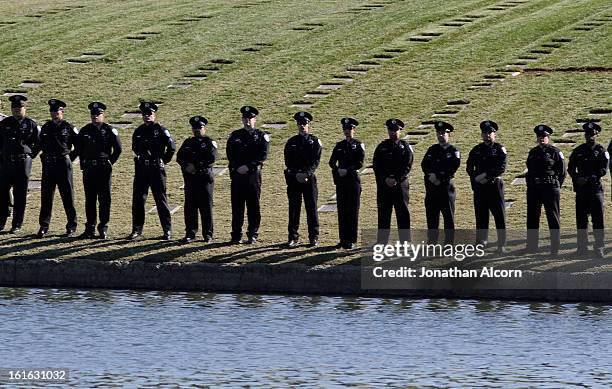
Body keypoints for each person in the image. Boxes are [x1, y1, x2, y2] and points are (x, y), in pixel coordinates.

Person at [128, 102, 175, 241]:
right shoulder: (139, 131)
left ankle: (167, 230)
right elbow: (135, 147)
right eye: (144, 114)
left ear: (154, 114)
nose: (147, 116)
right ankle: (136, 229)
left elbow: (171, 147)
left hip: (156, 168)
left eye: (149, 114)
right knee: (138, 200)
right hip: (142, 168)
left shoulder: (161, 129)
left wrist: (163, 161)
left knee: (160, 200)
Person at [74, 102, 122, 239]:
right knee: (90, 199)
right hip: (89, 168)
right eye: (93, 115)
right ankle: (90, 228)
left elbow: (118, 149)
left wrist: (109, 162)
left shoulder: (109, 130)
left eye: (98, 114)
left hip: (103, 168)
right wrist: (83, 165)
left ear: (103, 115)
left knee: (104, 199)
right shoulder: (85, 130)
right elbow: (79, 149)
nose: (95, 117)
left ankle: (103, 227)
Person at [226, 106, 270, 244]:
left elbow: (263, 155)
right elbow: (230, 154)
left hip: (253, 176)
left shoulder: (261, 136)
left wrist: (248, 166)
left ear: (255, 119)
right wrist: (237, 167)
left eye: (250, 118)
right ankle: (236, 235)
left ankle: (252, 234)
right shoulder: (235, 135)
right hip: (238, 175)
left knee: (253, 207)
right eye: (245, 118)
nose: (247, 121)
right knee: (237, 207)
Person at [36, 99, 79, 238]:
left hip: (63, 164)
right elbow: (40, 144)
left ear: (62, 112)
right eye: (53, 111)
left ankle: (71, 225)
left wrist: (69, 158)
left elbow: (78, 146)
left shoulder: (68, 127)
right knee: (46, 196)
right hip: (49, 165)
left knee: (67, 195)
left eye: (57, 111)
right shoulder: (46, 127)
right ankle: (44, 226)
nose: (55, 114)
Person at [466, 120, 507, 253]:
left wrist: (485, 176)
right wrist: (476, 178)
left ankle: (501, 244)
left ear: (494, 134)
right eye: (484, 133)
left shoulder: (499, 149)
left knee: (499, 215)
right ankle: (481, 241)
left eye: (490, 133)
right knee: (481, 215)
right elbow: (469, 167)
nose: (487, 135)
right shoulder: (476, 150)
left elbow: (501, 168)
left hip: (494, 186)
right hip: (480, 188)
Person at [568, 122, 608, 258]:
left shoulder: (601, 151)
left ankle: (599, 247)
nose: (589, 136)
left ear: (596, 135)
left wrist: (590, 178)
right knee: (581, 221)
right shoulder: (578, 150)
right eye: (587, 134)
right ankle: (582, 248)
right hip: (582, 190)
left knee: (598, 220)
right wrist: (577, 178)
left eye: (592, 134)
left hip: (595, 189)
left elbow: (604, 169)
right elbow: (570, 168)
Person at [0, 95, 40, 233]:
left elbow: (38, 142)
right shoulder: (5, 123)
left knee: (20, 193)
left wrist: (30, 154)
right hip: (6, 162)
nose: (17, 110)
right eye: (14, 108)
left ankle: (17, 223)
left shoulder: (30, 124)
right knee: (3, 192)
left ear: (25, 108)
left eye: (19, 108)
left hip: (22, 162)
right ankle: (2, 220)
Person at [525, 124, 566, 255]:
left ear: (548, 137)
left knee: (553, 217)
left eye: (544, 136)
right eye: (539, 136)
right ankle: (532, 247)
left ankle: (555, 247)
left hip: (550, 188)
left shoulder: (555, 152)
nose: (541, 139)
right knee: (532, 218)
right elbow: (529, 170)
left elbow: (563, 172)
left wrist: (556, 185)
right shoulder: (533, 152)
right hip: (534, 189)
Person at [176, 115, 217, 243]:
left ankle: (207, 234)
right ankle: (190, 233)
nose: (197, 130)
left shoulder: (209, 142)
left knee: (206, 208)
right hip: (190, 180)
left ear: (204, 128)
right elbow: (179, 157)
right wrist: (186, 166)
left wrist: (196, 166)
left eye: (199, 128)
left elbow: (211, 159)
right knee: (190, 208)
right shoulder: (188, 142)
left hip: (204, 179)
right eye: (194, 128)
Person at [373, 118, 413, 245]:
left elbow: (407, 166)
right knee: (384, 214)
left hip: (400, 186)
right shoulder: (382, 147)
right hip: (384, 186)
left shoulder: (405, 147)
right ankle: (382, 242)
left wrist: (396, 179)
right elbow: (377, 165)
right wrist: (385, 178)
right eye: (390, 130)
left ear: (400, 131)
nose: (393, 133)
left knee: (402, 214)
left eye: (395, 130)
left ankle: (405, 241)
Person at [284, 111, 322, 247]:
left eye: (304, 124)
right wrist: (296, 174)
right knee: (294, 209)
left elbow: (315, 161)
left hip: (309, 179)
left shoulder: (315, 141)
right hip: (294, 179)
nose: (302, 126)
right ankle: (293, 237)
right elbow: (288, 161)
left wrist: (306, 174)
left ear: (309, 125)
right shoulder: (291, 142)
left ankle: (314, 237)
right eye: (300, 124)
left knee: (311, 208)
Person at [421, 121, 460, 244]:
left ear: (448, 135)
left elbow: (452, 167)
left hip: (445, 189)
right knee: (432, 217)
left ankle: (449, 242)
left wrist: (438, 177)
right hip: (432, 189)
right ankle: (432, 241)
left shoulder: (453, 151)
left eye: (443, 133)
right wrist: (430, 175)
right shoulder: (432, 149)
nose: (441, 136)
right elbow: (424, 165)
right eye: (439, 133)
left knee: (448, 217)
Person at [329, 117, 364, 250]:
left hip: (352, 180)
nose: (347, 131)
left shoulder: (358, 144)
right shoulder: (339, 145)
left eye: (350, 129)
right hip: (341, 182)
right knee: (342, 211)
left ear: (354, 130)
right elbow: (332, 162)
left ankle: (352, 239)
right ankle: (343, 239)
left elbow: (360, 163)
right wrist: (338, 170)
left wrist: (347, 170)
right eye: (345, 129)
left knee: (352, 211)